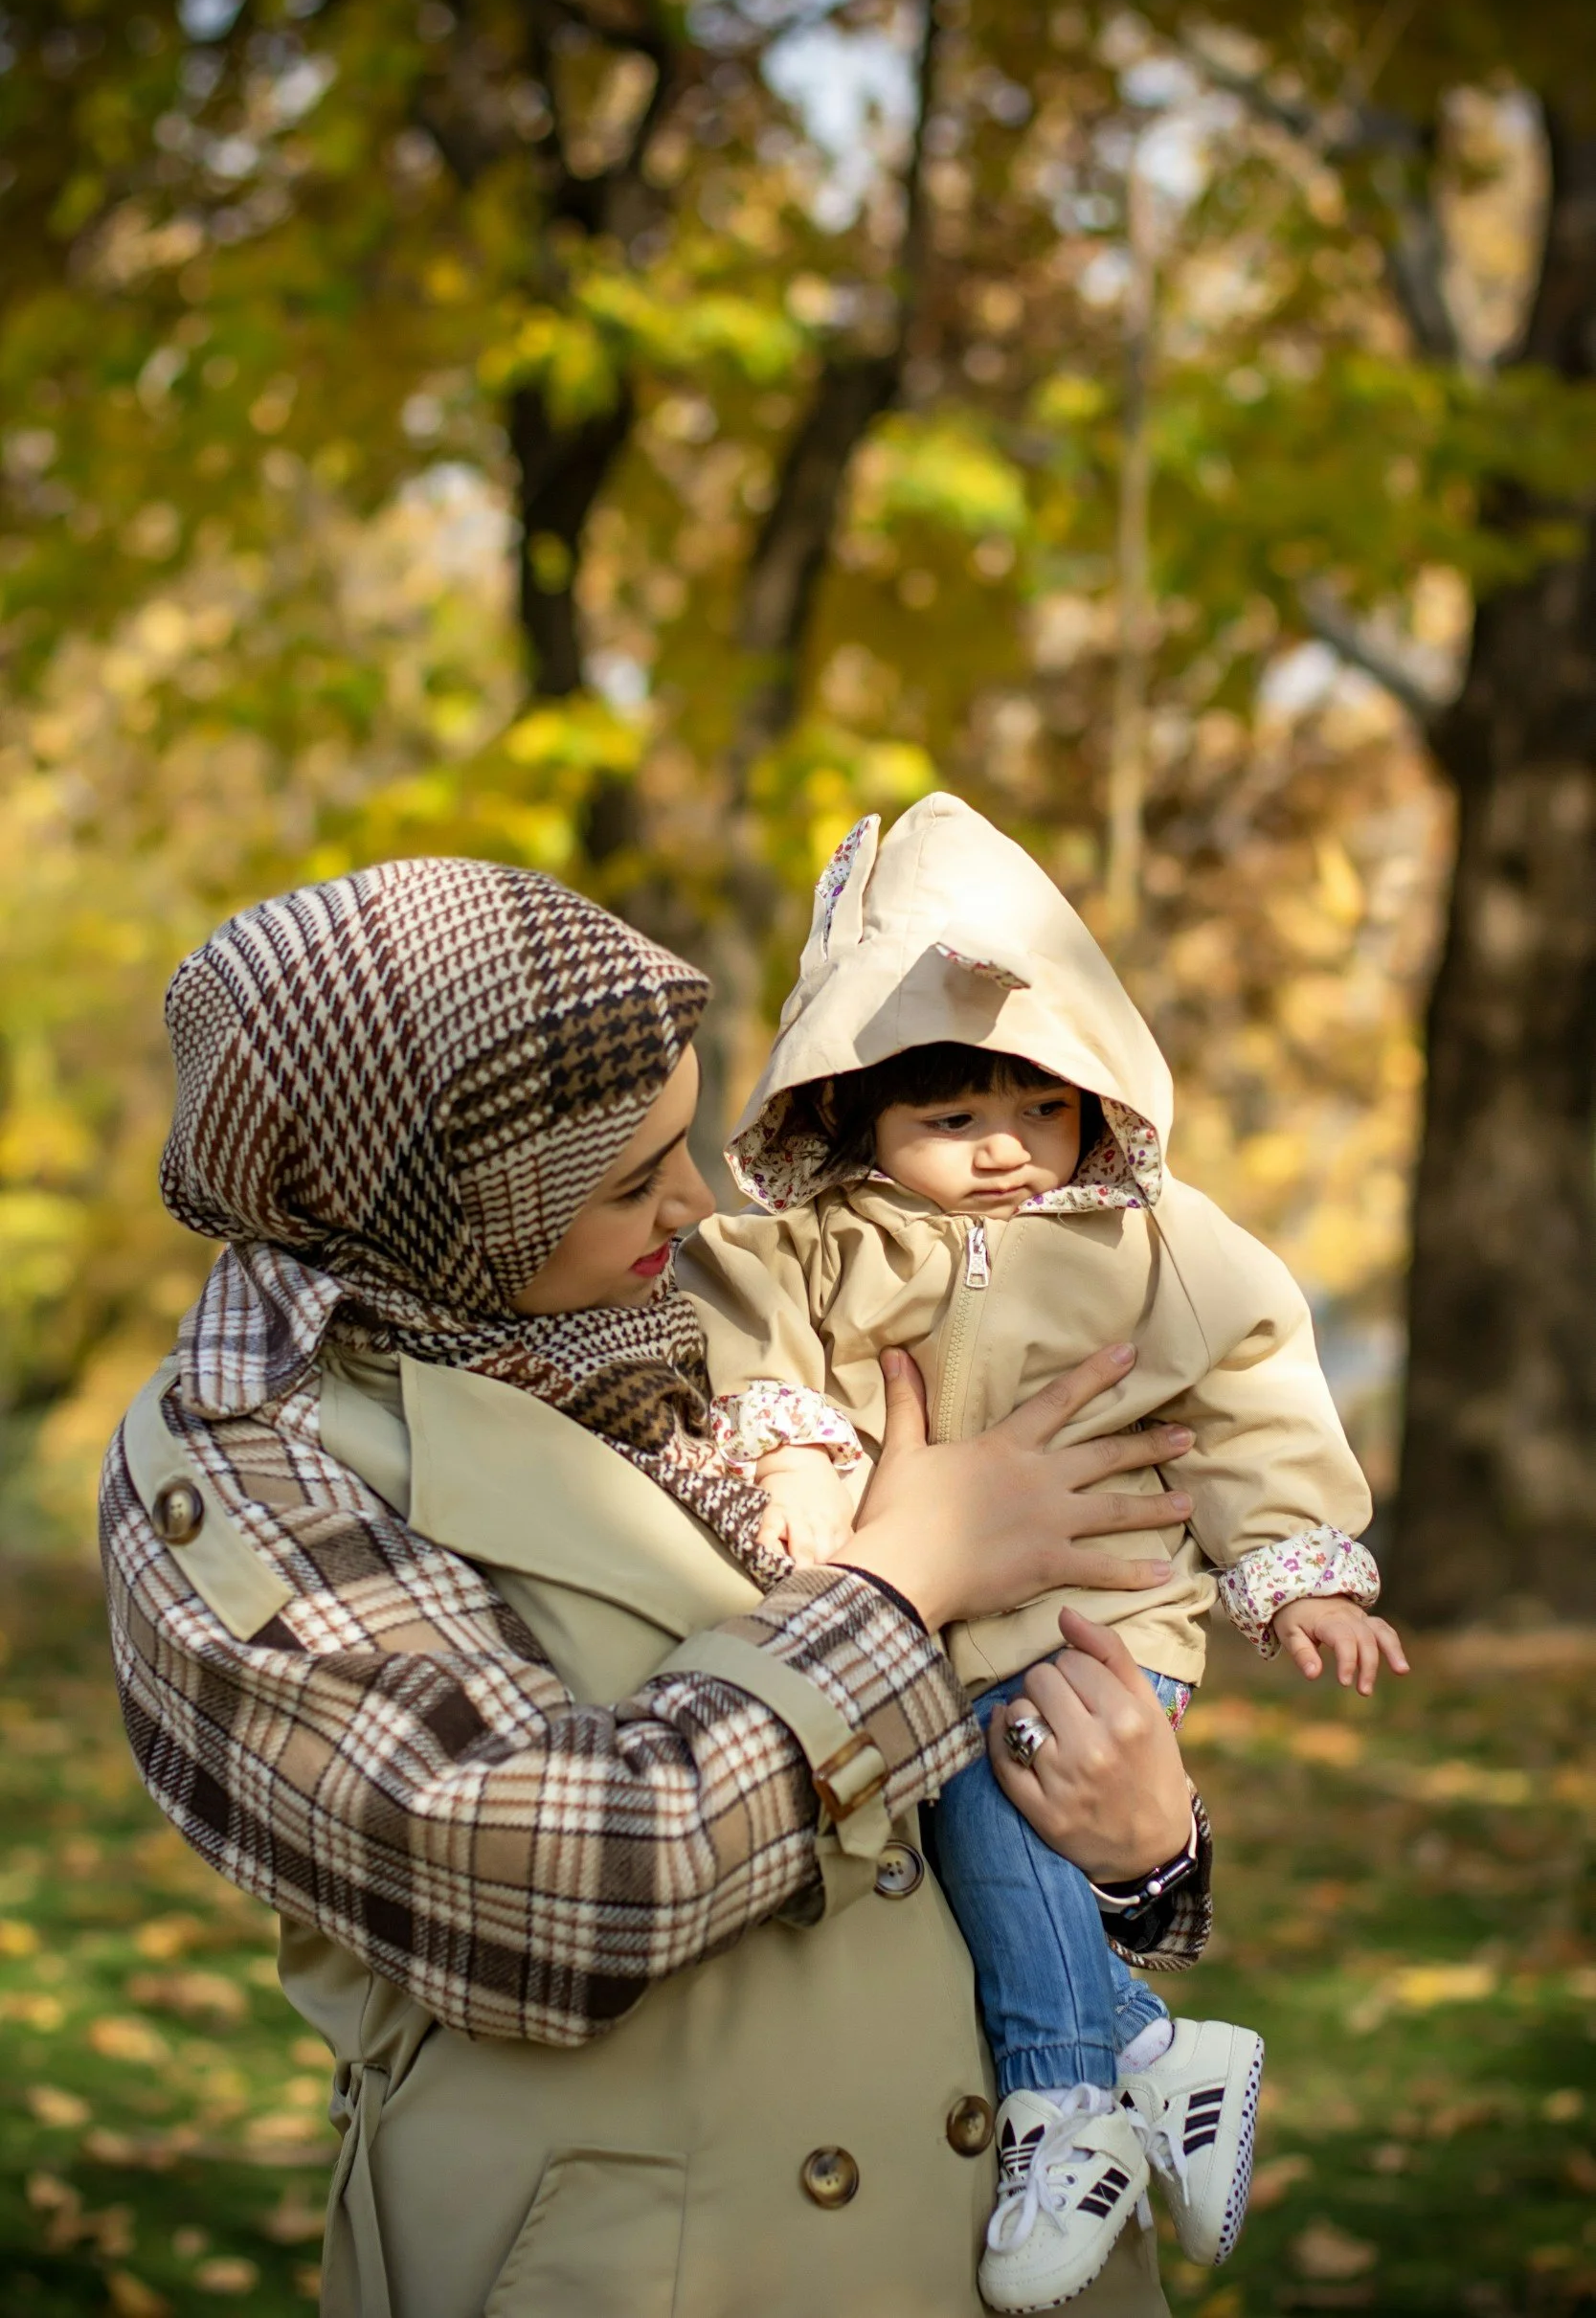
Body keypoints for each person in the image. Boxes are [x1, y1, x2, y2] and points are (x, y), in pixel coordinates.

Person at [100, 856, 1212, 2318]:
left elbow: (947, 1789)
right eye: (633, 1176)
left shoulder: (675, 1321)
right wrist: (900, 1585)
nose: (694, 1207)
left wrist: (1146, 1857)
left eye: (684, 1142)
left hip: (989, 2253)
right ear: (451, 1194)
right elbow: (552, 1882)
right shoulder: (251, 1467)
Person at [680, 794, 1409, 2310]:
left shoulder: (1158, 1243)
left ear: (1095, 1102)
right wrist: (801, 1451)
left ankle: (1065, 2105)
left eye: (1039, 1110)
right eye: (950, 1121)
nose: (1003, 1151)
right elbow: (760, 1336)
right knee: (965, 1824)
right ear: (853, 1117)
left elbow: (1255, 1378)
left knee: (1013, 1803)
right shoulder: (828, 1242)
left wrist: (1297, 1557)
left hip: (1105, 1609)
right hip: (922, 1615)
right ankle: (1147, 2045)